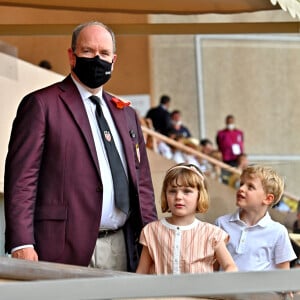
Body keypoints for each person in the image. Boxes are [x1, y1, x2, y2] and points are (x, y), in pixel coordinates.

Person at [4, 21, 157, 272]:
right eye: (88, 51)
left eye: (104, 53)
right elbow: (22, 180)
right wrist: (21, 241)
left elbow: (142, 185)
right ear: (71, 56)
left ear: (113, 60)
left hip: (121, 245)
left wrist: (152, 242)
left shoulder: (126, 114)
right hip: (59, 248)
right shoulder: (42, 105)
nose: (97, 59)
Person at [136, 163, 238, 274]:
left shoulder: (212, 234)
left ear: (200, 195)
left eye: (187, 191)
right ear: (165, 195)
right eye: (172, 191)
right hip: (161, 291)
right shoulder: (151, 231)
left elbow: (230, 266)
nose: (178, 197)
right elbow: (141, 272)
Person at [215, 165, 297, 271]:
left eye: (250, 187)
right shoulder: (221, 223)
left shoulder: (278, 232)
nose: (241, 188)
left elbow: (283, 277)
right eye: (241, 184)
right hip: (225, 287)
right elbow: (214, 267)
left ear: (268, 199)